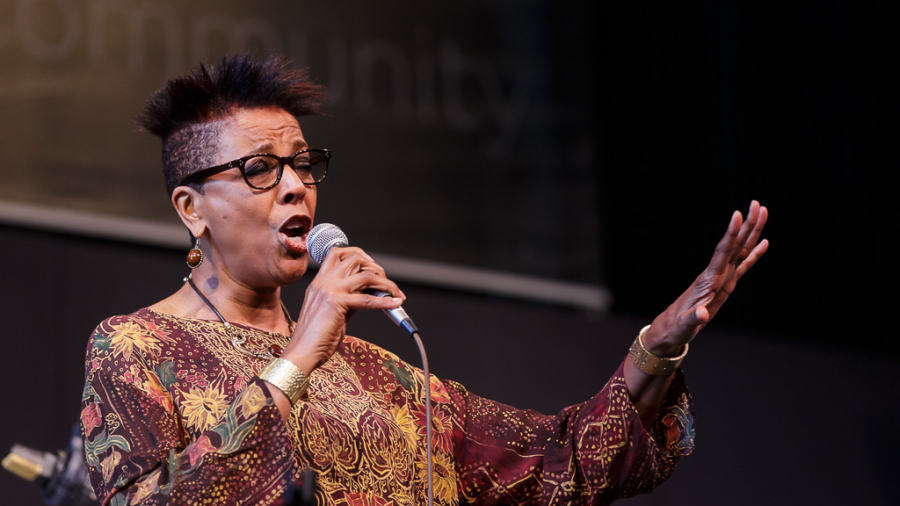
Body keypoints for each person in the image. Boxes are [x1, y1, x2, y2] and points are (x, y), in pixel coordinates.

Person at [79, 54, 768, 506]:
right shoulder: (136, 347)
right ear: (191, 209)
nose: (295, 188)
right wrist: (296, 360)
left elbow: (564, 460)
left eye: (302, 164)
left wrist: (660, 346)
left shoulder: (385, 376)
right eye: (261, 169)